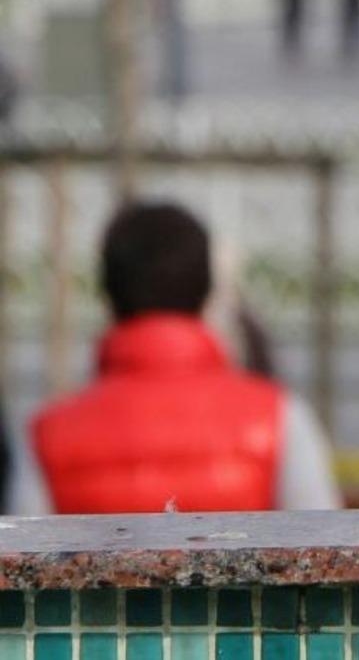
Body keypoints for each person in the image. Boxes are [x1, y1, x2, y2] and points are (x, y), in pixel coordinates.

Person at [15, 202, 341, 514]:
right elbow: (327, 548)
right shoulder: (279, 419)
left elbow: (20, 560)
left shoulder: (48, 435)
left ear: (108, 293)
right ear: (207, 289)